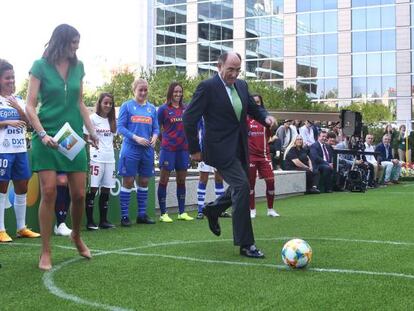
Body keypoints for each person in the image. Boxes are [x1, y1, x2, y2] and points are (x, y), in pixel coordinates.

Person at [183, 51, 276, 259]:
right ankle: (246, 244)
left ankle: (214, 210)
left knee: (240, 186)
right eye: (230, 70)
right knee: (242, 186)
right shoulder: (207, 87)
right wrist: (194, 149)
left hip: (240, 146)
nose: (234, 74)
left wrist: (266, 118)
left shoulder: (242, 86)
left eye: (237, 70)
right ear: (219, 66)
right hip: (218, 149)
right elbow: (189, 118)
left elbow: (254, 109)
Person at [26, 24, 98, 270]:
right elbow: (30, 105)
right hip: (46, 136)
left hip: (72, 138)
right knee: (49, 192)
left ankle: (76, 235)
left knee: (79, 194)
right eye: (73, 42)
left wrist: (92, 130)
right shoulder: (40, 66)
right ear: (61, 42)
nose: (77, 47)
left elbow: (79, 103)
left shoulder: (79, 67)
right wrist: (42, 134)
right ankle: (46, 251)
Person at [0, 59, 40, 243]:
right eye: (7, 77)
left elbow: (30, 124)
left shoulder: (20, 100)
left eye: (13, 77)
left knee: (22, 186)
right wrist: (7, 122)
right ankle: (1, 230)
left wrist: (18, 108)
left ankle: (21, 228)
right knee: (2, 188)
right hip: (3, 151)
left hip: (20, 149)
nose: (11, 81)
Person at [117, 78, 159, 226]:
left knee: (145, 181)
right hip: (131, 149)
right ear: (134, 90)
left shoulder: (152, 108)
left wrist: (154, 137)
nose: (143, 92)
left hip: (147, 150)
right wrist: (136, 138)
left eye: (145, 89)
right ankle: (124, 216)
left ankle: (142, 214)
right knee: (128, 180)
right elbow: (120, 127)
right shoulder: (127, 106)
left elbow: (156, 128)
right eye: (140, 90)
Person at [157, 82, 193, 223]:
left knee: (181, 180)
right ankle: (163, 213)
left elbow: (191, 126)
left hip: (183, 149)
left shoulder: (186, 108)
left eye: (180, 92)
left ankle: (182, 212)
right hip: (168, 150)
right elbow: (157, 128)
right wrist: (165, 140)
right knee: (164, 180)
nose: (178, 94)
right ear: (170, 93)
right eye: (175, 92)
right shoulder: (163, 109)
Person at [84, 93, 116, 230]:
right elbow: (85, 137)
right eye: (105, 103)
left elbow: (112, 138)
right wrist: (92, 142)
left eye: (110, 103)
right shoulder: (92, 118)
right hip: (96, 157)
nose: (108, 106)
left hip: (110, 158)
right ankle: (90, 221)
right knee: (93, 188)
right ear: (100, 103)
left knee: (106, 189)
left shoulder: (113, 120)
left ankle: (104, 220)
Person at [247, 94, 279, 218]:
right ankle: (252, 210)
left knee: (271, 182)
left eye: (258, 102)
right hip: (250, 156)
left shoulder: (265, 120)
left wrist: (274, 123)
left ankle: (270, 209)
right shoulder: (246, 119)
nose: (256, 104)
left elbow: (271, 134)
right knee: (250, 184)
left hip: (265, 156)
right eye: (253, 102)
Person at [195, 119, 229, 220]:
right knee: (203, 179)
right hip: (204, 150)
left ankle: (220, 210)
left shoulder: (220, 111)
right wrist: (196, 150)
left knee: (219, 179)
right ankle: (200, 210)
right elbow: (196, 132)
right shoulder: (201, 113)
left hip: (218, 150)